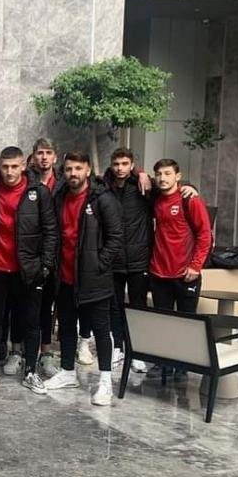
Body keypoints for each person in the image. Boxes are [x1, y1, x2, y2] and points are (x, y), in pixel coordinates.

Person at [44, 151, 123, 406]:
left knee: (101, 329)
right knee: (67, 327)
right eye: (69, 169)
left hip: (94, 279)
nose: (73, 174)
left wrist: (99, 264)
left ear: (87, 170)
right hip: (65, 276)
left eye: (78, 169)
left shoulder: (103, 199)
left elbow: (115, 237)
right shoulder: (59, 197)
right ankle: (68, 372)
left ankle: (105, 382)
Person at [0, 146, 56, 395]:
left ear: (23, 166)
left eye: (14, 166)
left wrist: (45, 266)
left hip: (29, 269)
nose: (10, 172)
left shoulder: (39, 192)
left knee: (32, 321)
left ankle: (31, 371)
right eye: (5, 166)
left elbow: (50, 231)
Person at [147, 158, 212, 380]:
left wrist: (196, 266)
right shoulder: (155, 200)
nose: (162, 178)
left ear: (178, 176)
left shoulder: (190, 200)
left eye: (167, 173)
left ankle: (182, 366)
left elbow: (205, 235)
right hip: (159, 272)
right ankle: (162, 363)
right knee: (163, 321)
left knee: (186, 322)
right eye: (159, 174)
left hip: (186, 274)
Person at [104, 147, 151, 374]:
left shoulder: (143, 186)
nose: (120, 168)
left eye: (124, 164)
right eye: (116, 164)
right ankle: (118, 347)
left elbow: (170, 189)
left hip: (138, 259)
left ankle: (137, 352)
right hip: (113, 259)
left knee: (137, 306)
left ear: (132, 165)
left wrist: (191, 188)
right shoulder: (104, 186)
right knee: (114, 306)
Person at [28, 138, 62, 375]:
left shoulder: (62, 183)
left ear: (55, 157)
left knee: (48, 305)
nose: (44, 157)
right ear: (33, 156)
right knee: (26, 306)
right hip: (29, 253)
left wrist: (139, 172)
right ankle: (19, 351)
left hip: (55, 253)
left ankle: (46, 352)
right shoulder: (25, 181)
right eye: (40, 153)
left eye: (48, 153)